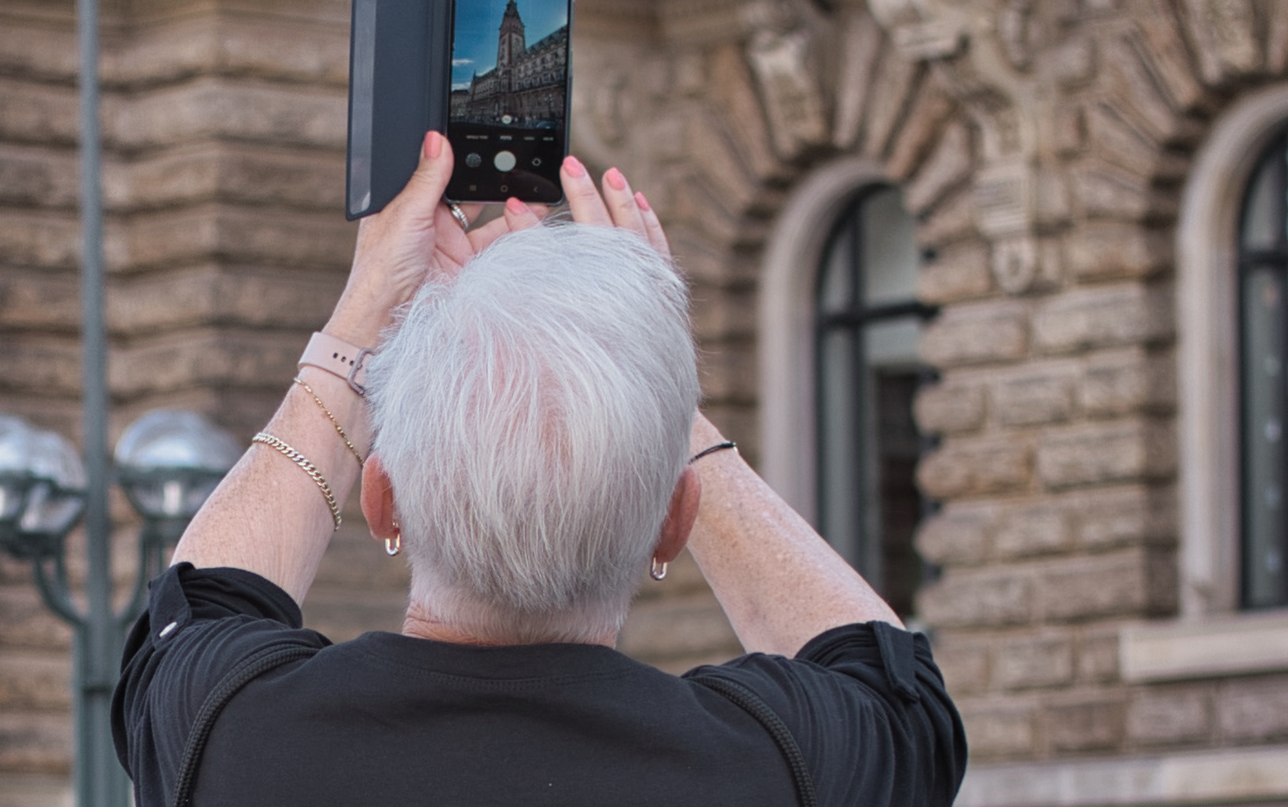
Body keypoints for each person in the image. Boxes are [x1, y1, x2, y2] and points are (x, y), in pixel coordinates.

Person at [113, 133, 967, 807]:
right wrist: (647, 369)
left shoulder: (229, 732)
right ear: (673, 516)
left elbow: (204, 600)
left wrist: (363, 315)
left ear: (383, 502)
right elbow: (892, 683)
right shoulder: (782, 760)